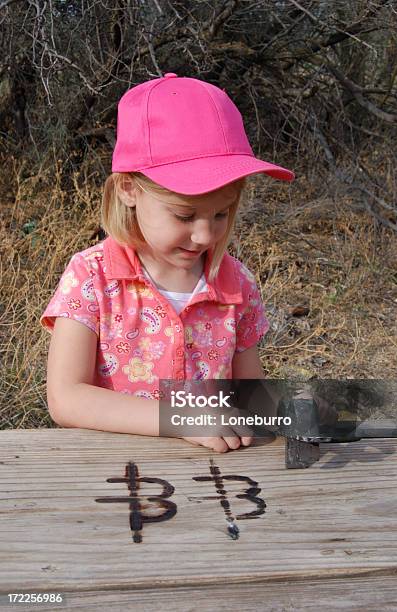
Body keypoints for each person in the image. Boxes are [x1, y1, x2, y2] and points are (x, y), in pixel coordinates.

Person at [40, 72, 295, 453]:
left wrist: (294, 412)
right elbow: (66, 398)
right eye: (184, 215)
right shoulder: (91, 276)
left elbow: (250, 396)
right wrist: (183, 419)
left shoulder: (235, 284)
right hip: (114, 480)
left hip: (216, 483)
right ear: (129, 189)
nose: (206, 236)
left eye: (222, 214)